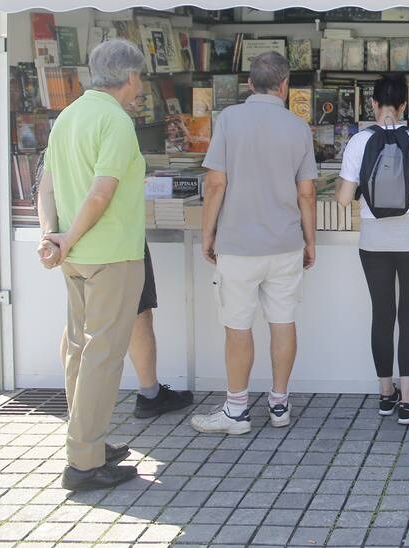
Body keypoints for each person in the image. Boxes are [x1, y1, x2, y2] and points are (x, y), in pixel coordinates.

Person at [35, 39, 148, 492]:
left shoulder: (70, 115)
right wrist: (69, 236)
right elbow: (101, 193)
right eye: (140, 78)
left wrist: (53, 236)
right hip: (111, 255)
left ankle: (89, 444)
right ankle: (83, 461)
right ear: (130, 77)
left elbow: (45, 184)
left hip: (75, 257)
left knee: (81, 353)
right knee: (102, 358)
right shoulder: (116, 121)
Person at [192, 51, 317, 435]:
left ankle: (236, 411)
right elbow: (307, 192)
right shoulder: (298, 127)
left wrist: (208, 232)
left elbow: (215, 183)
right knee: (283, 322)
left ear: (249, 84)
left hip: (238, 243)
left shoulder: (228, 120)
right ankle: (279, 404)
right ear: (284, 85)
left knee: (238, 326)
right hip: (284, 243)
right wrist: (310, 241)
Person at [36, 154, 195, 422]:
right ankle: (147, 394)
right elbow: (101, 194)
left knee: (81, 320)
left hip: (73, 243)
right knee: (136, 311)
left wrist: (52, 238)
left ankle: (77, 403)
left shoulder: (63, 130)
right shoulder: (110, 126)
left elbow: (44, 191)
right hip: (114, 241)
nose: (132, 107)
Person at [336, 74, 409, 425]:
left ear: (372, 104)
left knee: (381, 316)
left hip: (373, 240)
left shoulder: (358, 141)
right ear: (403, 106)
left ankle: (386, 395)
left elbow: (342, 199)